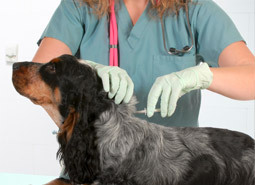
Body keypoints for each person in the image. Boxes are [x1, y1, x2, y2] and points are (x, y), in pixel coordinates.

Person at [34, 0, 254, 183]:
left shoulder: (194, 9)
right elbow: (38, 75)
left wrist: (202, 76)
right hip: (94, 169)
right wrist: (88, 68)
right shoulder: (80, 6)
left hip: (174, 172)